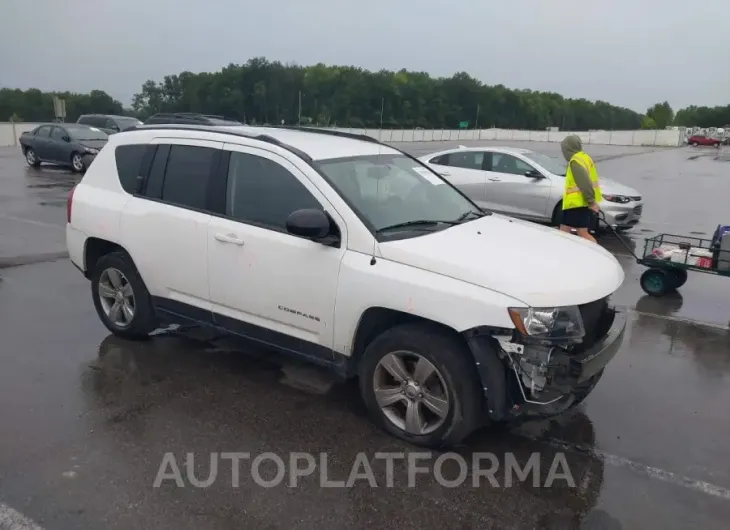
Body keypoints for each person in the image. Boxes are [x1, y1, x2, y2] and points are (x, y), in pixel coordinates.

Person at [559, 135, 602, 243]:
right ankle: (562, 251)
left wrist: (591, 201)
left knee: (582, 233)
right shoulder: (584, 157)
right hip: (577, 204)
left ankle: (596, 254)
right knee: (564, 231)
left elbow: (584, 182)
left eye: (564, 149)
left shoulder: (575, 161)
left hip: (576, 204)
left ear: (569, 148)